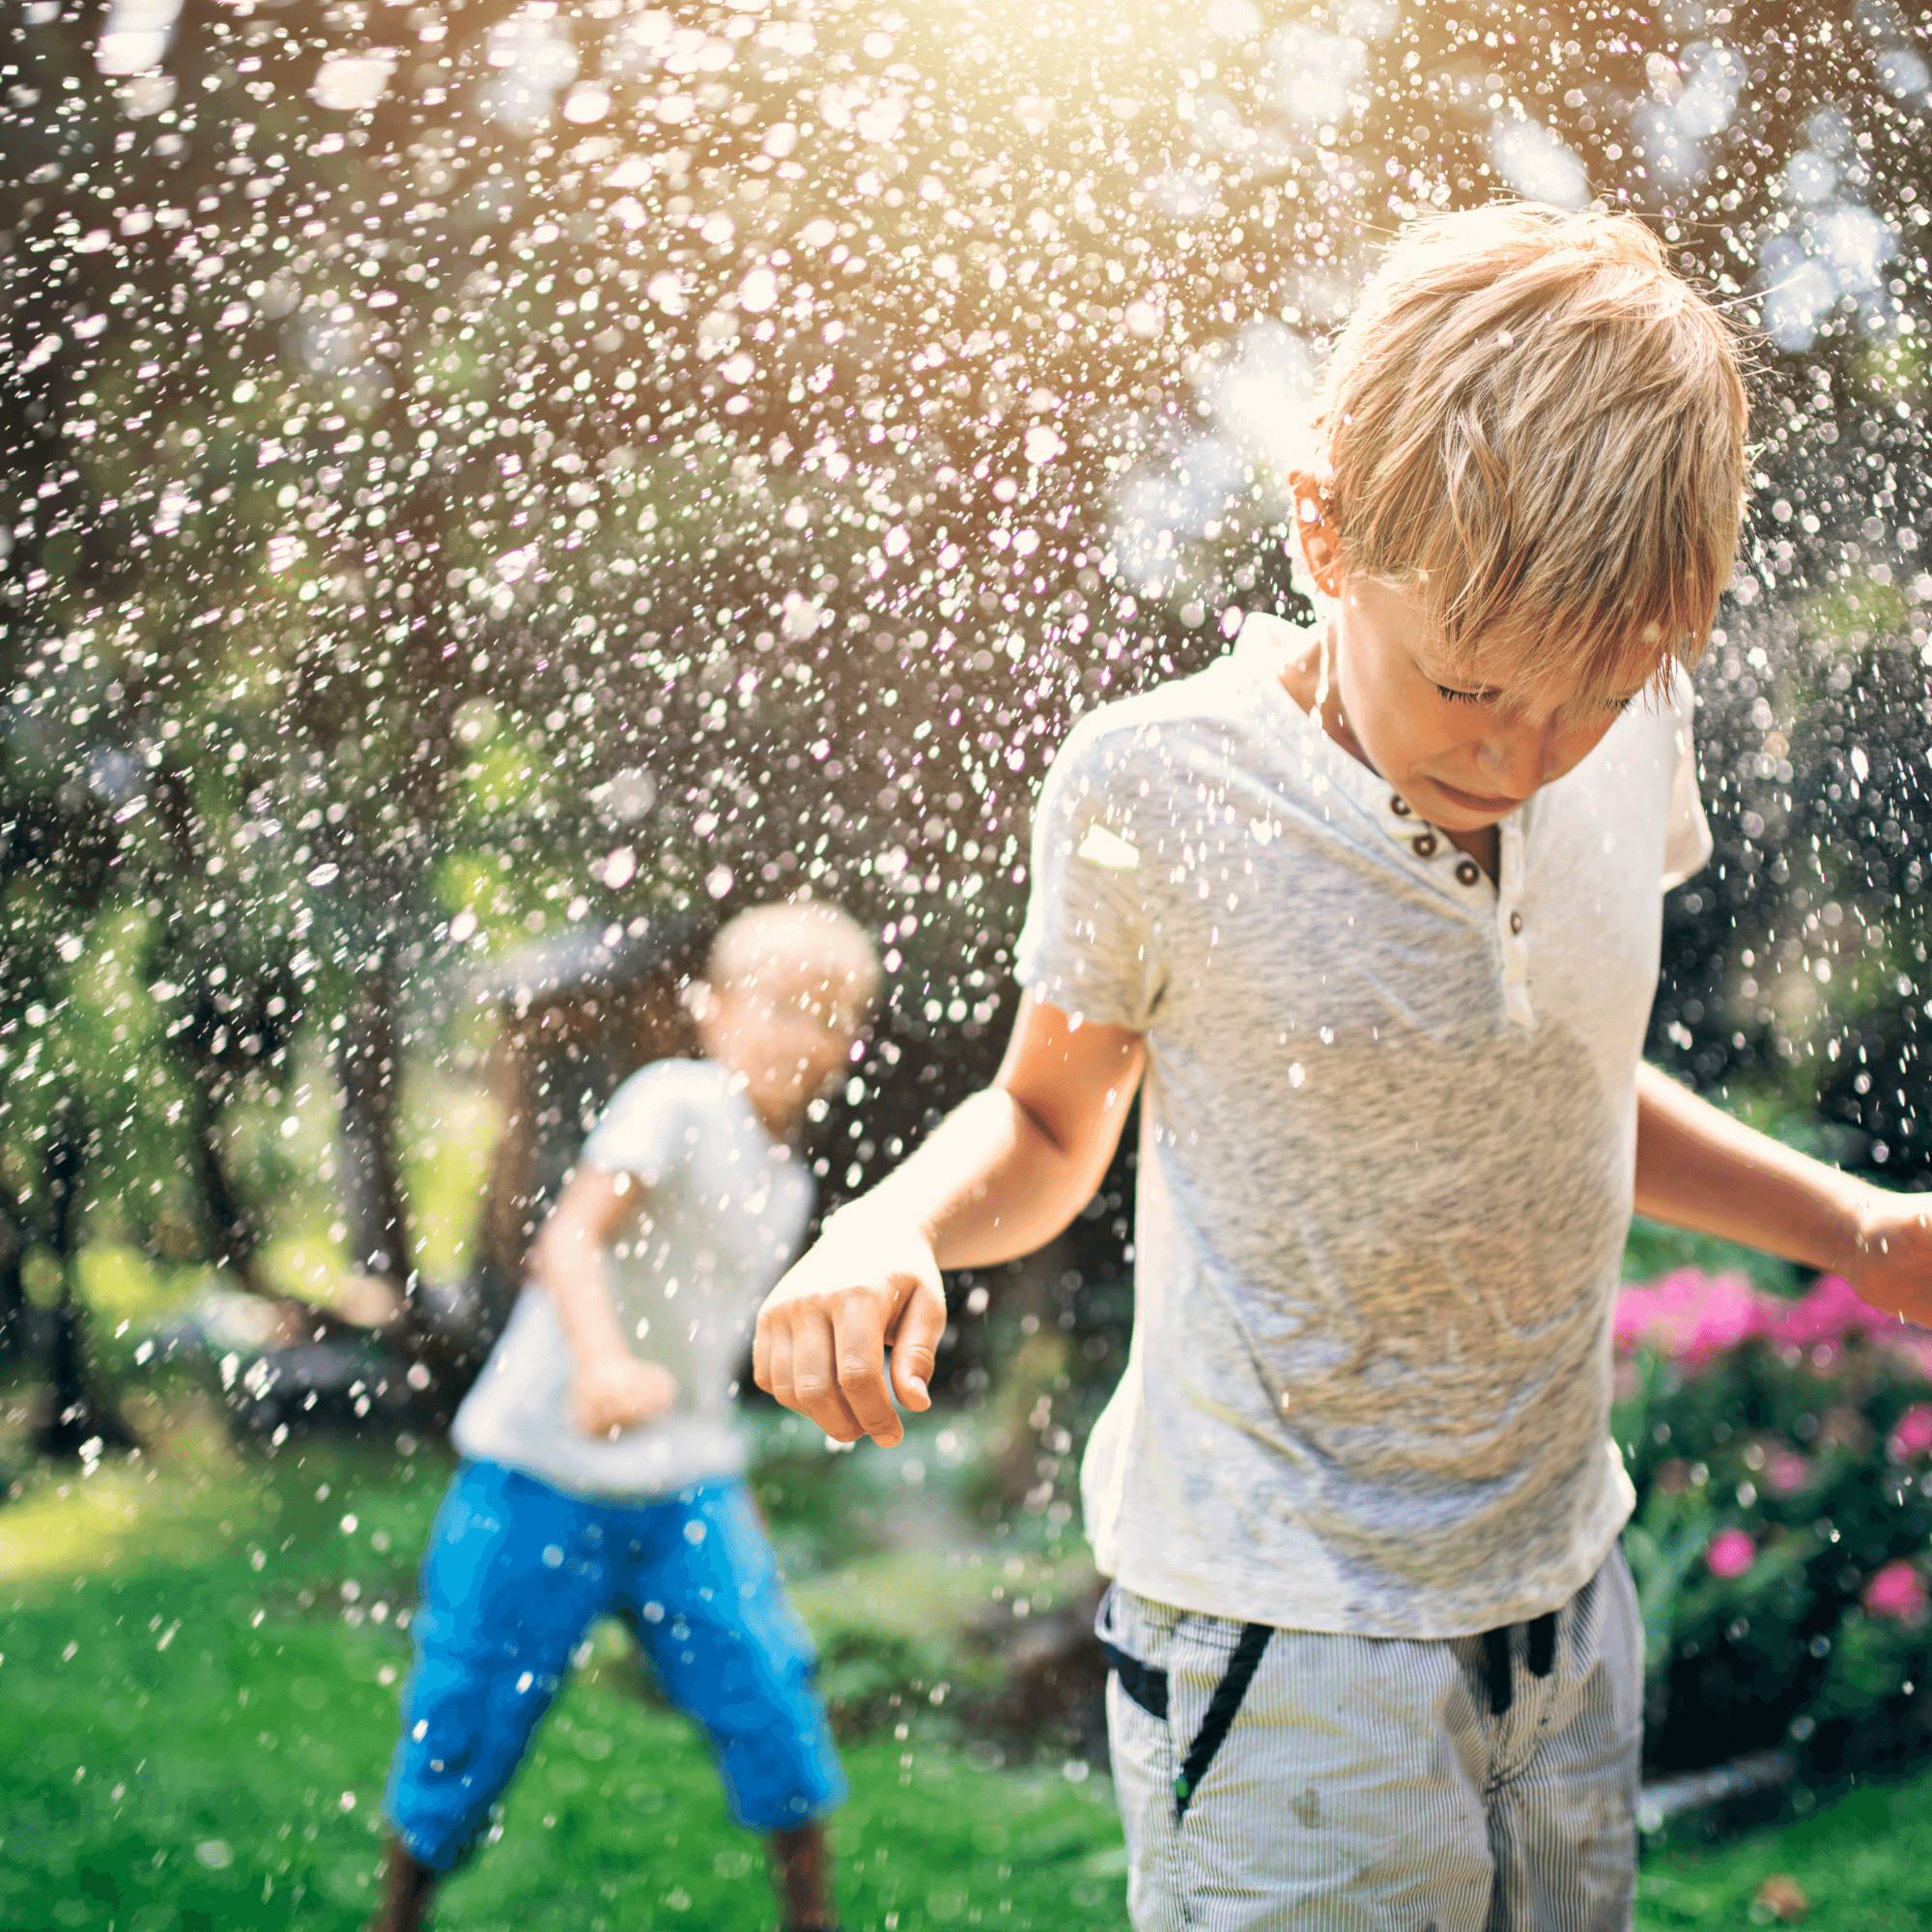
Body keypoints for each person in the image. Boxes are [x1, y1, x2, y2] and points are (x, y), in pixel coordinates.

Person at [751, 204, 1932, 1931]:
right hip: (1278, 1630)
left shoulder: (1629, 715)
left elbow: (1558, 1075)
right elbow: (1041, 1119)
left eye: (1588, 694)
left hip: (1563, 1582)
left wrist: (1857, 1230)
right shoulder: (1158, 793)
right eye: (1467, 685)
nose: (1522, 754)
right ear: (1322, 526)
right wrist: (889, 1224)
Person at [372, 900, 880, 1932]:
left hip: (682, 1488)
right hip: (538, 1473)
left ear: (848, 1040)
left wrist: (731, 1465)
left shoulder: (787, 1183)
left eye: (824, 1011)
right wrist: (600, 1364)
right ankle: (398, 1914)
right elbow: (567, 1240)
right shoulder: (677, 1099)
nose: (797, 1030)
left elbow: (700, 1351)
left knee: (770, 1692)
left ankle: (813, 1915)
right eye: (776, 1003)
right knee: (464, 1717)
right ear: (712, 1010)